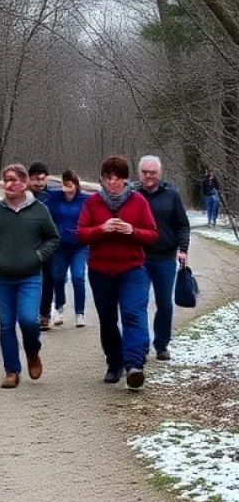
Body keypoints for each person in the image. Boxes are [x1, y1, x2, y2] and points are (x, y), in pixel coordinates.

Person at [76, 155, 158, 390]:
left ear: (125, 180)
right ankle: (114, 363)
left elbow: (152, 235)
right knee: (108, 320)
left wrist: (132, 230)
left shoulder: (138, 202)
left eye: (118, 178)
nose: (113, 182)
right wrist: (102, 229)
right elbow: (81, 233)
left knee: (132, 314)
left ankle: (134, 366)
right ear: (102, 180)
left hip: (132, 269)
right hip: (100, 270)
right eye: (108, 178)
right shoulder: (92, 203)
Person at [0, 163, 59, 389]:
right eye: (6, 180)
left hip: (30, 277)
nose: (9, 184)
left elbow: (53, 238)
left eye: (13, 180)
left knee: (28, 320)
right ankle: (12, 370)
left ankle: (33, 351)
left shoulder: (39, 210)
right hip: (1, 278)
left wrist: (39, 256)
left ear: (24, 183)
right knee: (6, 325)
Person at [138, 155, 190, 362]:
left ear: (159, 174)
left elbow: (183, 225)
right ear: (139, 173)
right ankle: (140, 346)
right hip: (138, 259)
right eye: (145, 172)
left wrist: (183, 248)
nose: (149, 176)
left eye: (153, 172)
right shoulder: (132, 195)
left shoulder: (172, 195)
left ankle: (161, 345)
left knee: (164, 304)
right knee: (137, 304)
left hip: (165, 258)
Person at [47, 169, 89, 328]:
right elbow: (44, 190)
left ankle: (80, 312)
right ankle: (59, 307)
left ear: (76, 184)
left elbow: (99, 193)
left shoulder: (84, 200)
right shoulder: (55, 198)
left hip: (79, 245)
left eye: (71, 182)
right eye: (65, 182)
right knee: (58, 277)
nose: (68, 187)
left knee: (78, 278)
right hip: (60, 245)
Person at [28, 162, 57, 330]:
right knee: (30, 280)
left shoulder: (52, 197)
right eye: (34, 179)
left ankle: (44, 314)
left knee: (48, 278)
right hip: (28, 243)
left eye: (41, 179)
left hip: (48, 244)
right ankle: (30, 312)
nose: (38, 183)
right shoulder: (23, 196)